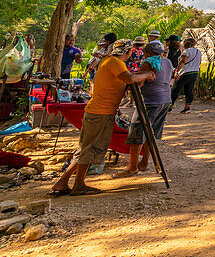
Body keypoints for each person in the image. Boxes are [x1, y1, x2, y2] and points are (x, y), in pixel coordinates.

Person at [51, 40, 154, 196]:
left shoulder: (110, 61)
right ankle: (78, 185)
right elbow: (129, 79)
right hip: (100, 113)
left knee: (85, 149)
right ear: (127, 52)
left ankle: (63, 182)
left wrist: (138, 77)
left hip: (98, 112)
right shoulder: (116, 63)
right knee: (90, 149)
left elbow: (127, 81)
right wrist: (147, 74)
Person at [117, 40, 174, 176]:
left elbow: (140, 83)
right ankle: (144, 162)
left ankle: (132, 166)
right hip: (165, 100)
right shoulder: (168, 62)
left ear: (147, 52)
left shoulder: (148, 62)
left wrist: (131, 79)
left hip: (151, 101)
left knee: (137, 132)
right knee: (151, 133)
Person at [170, 38, 202, 113]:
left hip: (185, 72)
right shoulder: (198, 51)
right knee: (189, 90)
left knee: (175, 89)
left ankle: (169, 106)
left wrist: (177, 71)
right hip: (195, 72)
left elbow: (183, 61)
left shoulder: (187, 51)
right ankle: (187, 107)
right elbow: (199, 62)